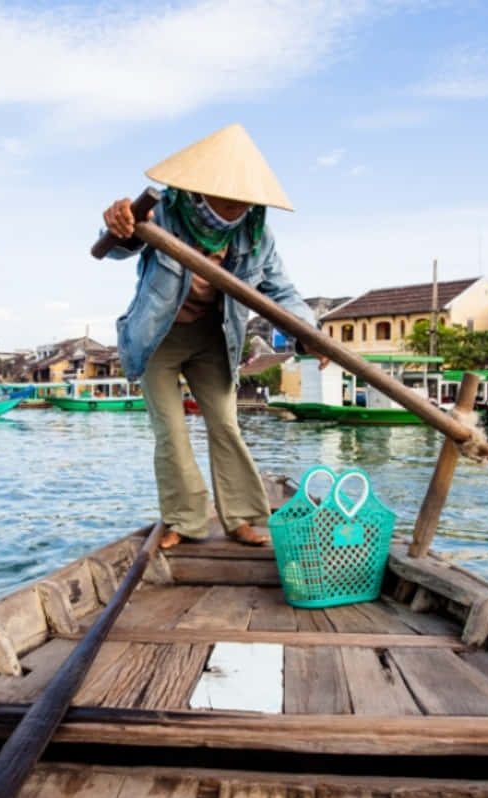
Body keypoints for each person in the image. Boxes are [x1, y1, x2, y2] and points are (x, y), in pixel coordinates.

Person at [101, 124, 322, 549]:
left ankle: (239, 518)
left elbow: (283, 293)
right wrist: (120, 225)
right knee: (171, 431)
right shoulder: (163, 211)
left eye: (243, 201)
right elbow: (114, 246)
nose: (234, 209)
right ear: (201, 190)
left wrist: (308, 332)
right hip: (158, 337)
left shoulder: (256, 235)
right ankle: (183, 520)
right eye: (226, 198)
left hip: (214, 338)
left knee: (226, 424)